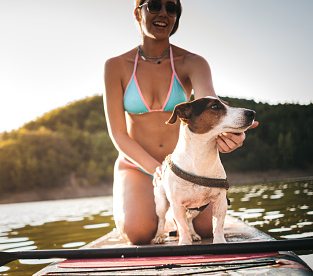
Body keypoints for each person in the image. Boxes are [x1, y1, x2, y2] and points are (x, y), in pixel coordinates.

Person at [103, 0, 258, 244]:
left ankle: (184, 217)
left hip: (188, 169)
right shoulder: (115, 66)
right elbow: (119, 134)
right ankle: (143, 211)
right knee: (140, 233)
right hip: (137, 166)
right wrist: (159, 170)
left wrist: (234, 133)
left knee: (207, 229)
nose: (163, 13)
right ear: (137, 12)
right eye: (154, 5)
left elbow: (213, 109)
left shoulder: (193, 62)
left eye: (171, 8)